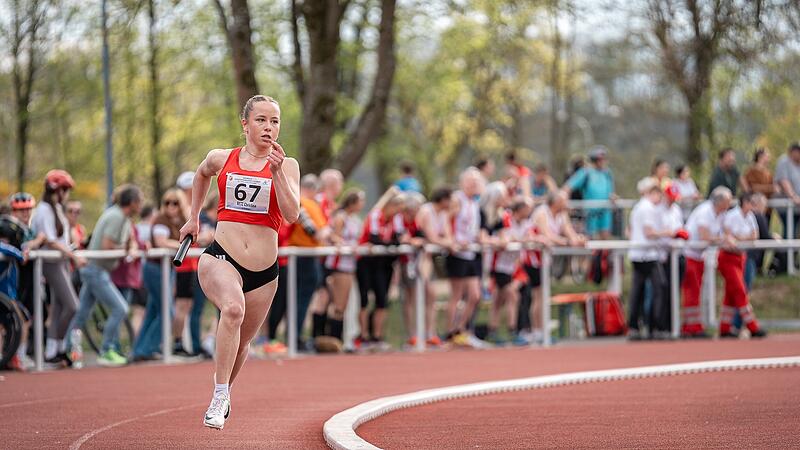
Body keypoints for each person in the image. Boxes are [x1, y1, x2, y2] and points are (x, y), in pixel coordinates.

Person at [179, 95, 300, 430]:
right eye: (261, 120)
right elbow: (200, 175)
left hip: (264, 271)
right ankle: (219, 394)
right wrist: (194, 218)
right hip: (222, 257)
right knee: (232, 309)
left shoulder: (286, 165)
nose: (269, 128)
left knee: (244, 341)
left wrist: (276, 174)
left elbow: (292, 214)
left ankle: (225, 391)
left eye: (275, 121)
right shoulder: (222, 158)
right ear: (245, 124)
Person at [64, 184, 143, 367]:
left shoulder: (123, 218)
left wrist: (130, 248)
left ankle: (66, 347)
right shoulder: (116, 216)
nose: (141, 206)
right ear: (131, 202)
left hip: (98, 269)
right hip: (95, 270)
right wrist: (126, 250)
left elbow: (130, 241)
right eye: (139, 202)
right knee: (121, 308)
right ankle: (106, 349)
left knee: (83, 311)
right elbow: (108, 245)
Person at [31, 169, 86, 366]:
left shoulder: (56, 208)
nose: (68, 194)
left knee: (59, 308)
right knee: (73, 305)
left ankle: (55, 349)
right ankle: (57, 345)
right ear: (58, 190)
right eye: (66, 190)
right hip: (52, 262)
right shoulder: (44, 210)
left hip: (60, 261)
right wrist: (73, 256)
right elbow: (51, 240)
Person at [133, 188, 188, 361]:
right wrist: (184, 245)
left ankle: (139, 349)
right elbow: (161, 242)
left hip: (167, 269)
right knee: (167, 311)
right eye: (167, 203)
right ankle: (147, 348)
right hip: (155, 269)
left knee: (153, 311)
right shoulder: (160, 220)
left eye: (175, 203)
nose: (171, 206)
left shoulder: (180, 221)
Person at [527, 192, 586, 343]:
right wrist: (568, 242)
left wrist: (577, 239)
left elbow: (569, 232)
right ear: (556, 202)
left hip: (546, 260)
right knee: (538, 295)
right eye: (564, 201)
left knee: (543, 294)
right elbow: (547, 235)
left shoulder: (562, 214)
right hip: (533, 259)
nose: (567, 204)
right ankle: (537, 331)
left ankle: (541, 330)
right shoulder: (542, 213)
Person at [1, 193, 47, 370]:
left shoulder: (26, 229)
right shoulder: (7, 227)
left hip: (19, 283)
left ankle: (16, 355)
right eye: (21, 210)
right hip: (7, 285)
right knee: (16, 319)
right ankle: (14, 356)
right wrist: (36, 242)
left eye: (28, 209)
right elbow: (19, 249)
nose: (25, 213)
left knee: (24, 318)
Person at [355, 190, 405, 350]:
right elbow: (373, 238)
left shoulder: (395, 219)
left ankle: (377, 336)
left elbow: (397, 239)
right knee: (364, 299)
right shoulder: (376, 215)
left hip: (384, 263)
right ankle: (363, 335)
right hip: (367, 261)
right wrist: (388, 244)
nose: (399, 212)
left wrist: (389, 244)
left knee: (382, 299)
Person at [681, 187, 733, 338]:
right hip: (690, 254)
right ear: (720, 201)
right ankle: (692, 327)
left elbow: (724, 231)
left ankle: (693, 325)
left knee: (696, 290)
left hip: (700, 256)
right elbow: (705, 236)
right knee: (692, 290)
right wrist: (723, 239)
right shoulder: (705, 212)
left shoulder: (720, 214)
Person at [173, 171, 214, 357]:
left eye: (193, 189)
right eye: (187, 190)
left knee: (194, 307)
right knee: (187, 307)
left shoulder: (201, 214)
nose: (190, 193)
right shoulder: (179, 212)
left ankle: (195, 344)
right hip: (184, 267)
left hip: (198, 266)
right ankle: (186, 344)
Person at [445, 168, 487, 346]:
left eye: (477, 182)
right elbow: (446, 220)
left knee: (475, 295)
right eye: (471, 182)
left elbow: (475, 228)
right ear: (463, 183)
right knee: (457, 294)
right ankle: (449, 333)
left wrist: (481, 238)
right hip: (457, 253)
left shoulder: (475, 203)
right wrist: (451, 241)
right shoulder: (457, 199)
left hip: (471, 252)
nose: (474, 185)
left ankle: (460, 329)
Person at [289, 174, 328, 351]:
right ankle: (294, 336)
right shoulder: (307, 203)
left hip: (298, 254)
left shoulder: (297, 201)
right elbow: (316, 230)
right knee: (302, 298)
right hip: (304, 254)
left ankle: (294, 335)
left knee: (297, 298)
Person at [319, 190, 364, 344]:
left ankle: (338, 340)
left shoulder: (355, 219)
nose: (362, 205)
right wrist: (345, 245)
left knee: (343, 305)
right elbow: (335, 237)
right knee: (338, 304)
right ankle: (332, 339)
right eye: (360, 201)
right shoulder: (341, 217)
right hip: (339, 265)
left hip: (350, 264)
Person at [719, 192, 766, 338]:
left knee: (731, 294)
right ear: (744, 202)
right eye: (750, 202)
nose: (752, 206)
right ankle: (752, 326)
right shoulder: (732, 215)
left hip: (740, 257)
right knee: (740, 290)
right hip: (728, 257)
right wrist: (741, 238)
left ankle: (725, 328)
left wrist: (740, 238)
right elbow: (729, 234)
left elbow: (754, 235)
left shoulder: (750, 216)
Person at [627, 180, 670, 340]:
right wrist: (668, 233)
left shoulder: (638, 207)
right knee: (660, 287)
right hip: (647, 254)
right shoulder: (648, 208)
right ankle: (655, 326)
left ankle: (634, 326)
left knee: (638, 291)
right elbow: (649, 232)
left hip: (638, 253)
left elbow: (630, 230)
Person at [487, 197, 533, 346]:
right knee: (512, 296)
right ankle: (512, 330)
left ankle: (493, 330)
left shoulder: (526, 223)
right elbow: (504, 237)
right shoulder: (505, 217)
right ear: (520, 209)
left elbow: (529, 236)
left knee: (499, 298)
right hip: (498, 265)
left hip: (510, 266)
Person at [414, 186, 454, 346]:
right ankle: (417, 333)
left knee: (432, 296)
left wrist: (449, 242)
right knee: (420, 295)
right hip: (419, 258)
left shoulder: (443, 214)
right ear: (444, 199)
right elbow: (432, 237)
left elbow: (446, 234)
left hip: (430, 259)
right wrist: (449, 244)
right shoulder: (426, 211)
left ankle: (430, 332)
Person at [563, 145, 616, 239]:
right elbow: (567, 187)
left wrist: (612, 198)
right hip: (590, 213)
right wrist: (566, 203)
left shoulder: (607, 173)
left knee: (605, 239)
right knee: (589, 238)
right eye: (601, 159)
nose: (604, 162)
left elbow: (610, 192)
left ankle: (604, 253)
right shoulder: (586, 172)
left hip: (604, 212)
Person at [772, 142, 800, 274]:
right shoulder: (784, 162)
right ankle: (782, 265)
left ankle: (793, 263)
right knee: (789, 233)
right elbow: (784, 182)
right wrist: (793, 197)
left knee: (795, 235)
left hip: (797, 209)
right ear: (793, 152)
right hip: (787, 207)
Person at [741, 148, 775, 221]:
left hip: (767, 208)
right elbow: (753, 187)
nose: (768, 158)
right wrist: (770, 188)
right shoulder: (751, 171)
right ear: (760, 156)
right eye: (767, 156)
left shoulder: (768, 173)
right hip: (755, 207)